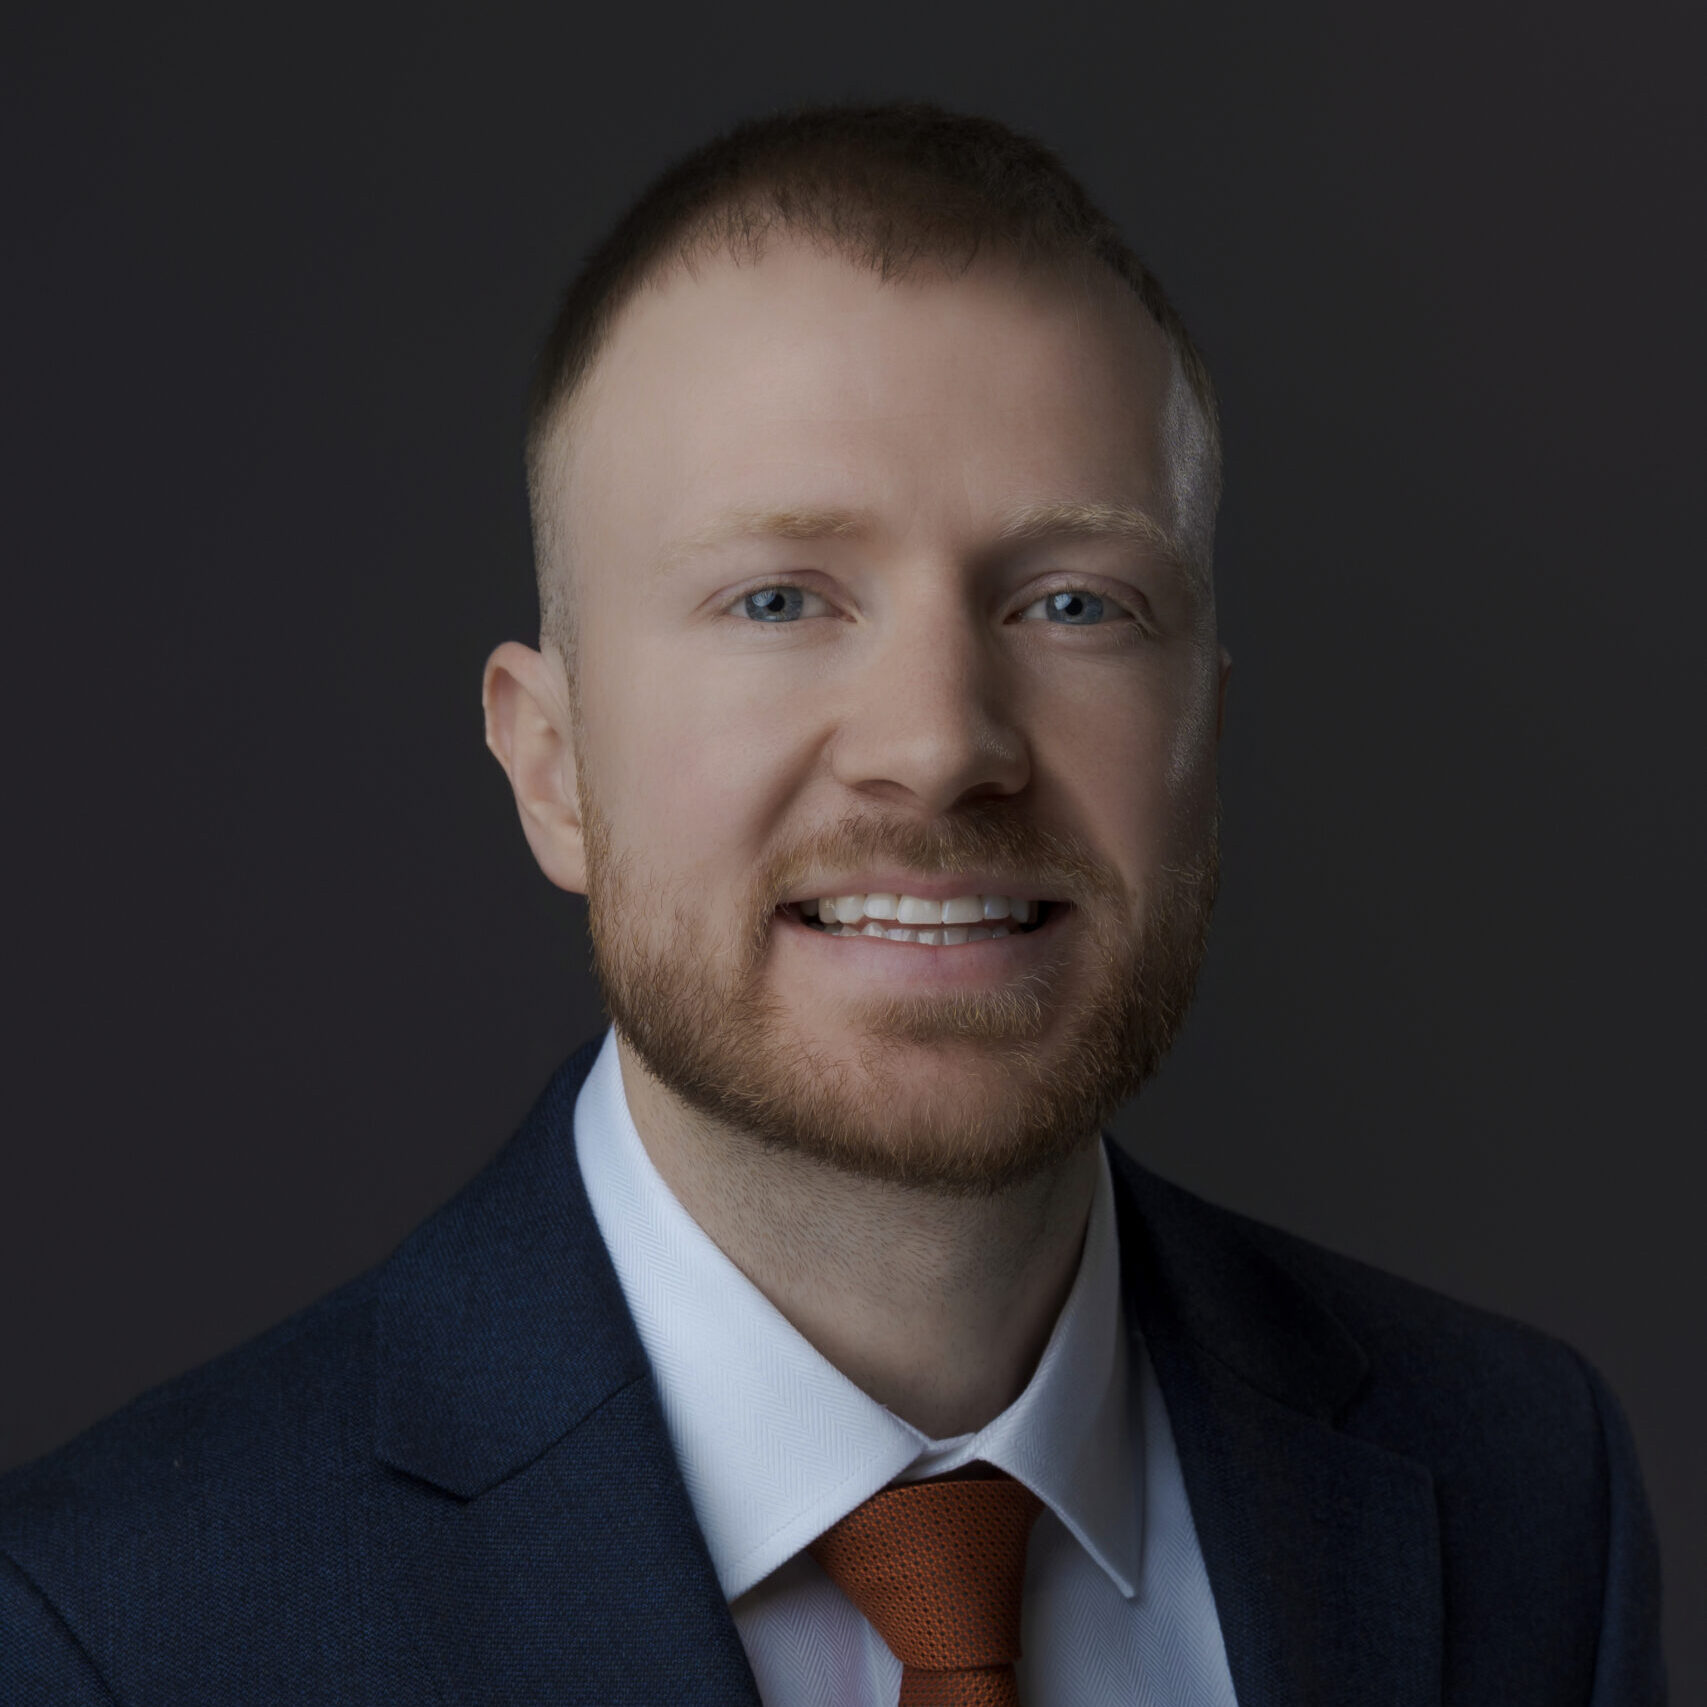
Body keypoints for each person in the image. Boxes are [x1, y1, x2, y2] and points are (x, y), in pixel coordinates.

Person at [0, 101, 1664, 1706]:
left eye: (1073, 603)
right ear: (553, 767)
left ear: (1200, 747)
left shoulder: (1527, 1494)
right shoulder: (114, 1637)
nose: (938, 748)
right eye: (779, 599)